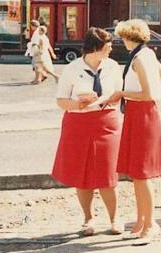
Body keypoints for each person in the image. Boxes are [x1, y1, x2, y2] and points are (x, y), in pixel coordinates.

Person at [51, 27, 123, 236]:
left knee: (107, 173)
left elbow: (118, 93)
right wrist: (78, 104)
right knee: (82, 173)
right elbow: (61, 100)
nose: (111, 49)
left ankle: (114, 219)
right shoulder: (72, 69)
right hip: (78, 123)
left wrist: (110, 98)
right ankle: (88, 219)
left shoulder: (112, 66)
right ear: (96, 47)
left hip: (106, 121)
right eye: (108, 45)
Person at [108, 19, 161, 242]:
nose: (121, 41)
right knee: (136, 172)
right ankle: (141, 220)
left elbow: (147, 93)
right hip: (139, 113)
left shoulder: (139, 59)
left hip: (143, 113)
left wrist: (122, 94)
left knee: (141, 174)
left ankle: (150, 224)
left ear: (128, 37)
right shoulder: (146, 54)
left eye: (122, 37)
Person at [25, 20, 41, 84]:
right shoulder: (38, 31)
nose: (31, 28)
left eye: (31, 26)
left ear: (33, 26)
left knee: (36, 65)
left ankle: (37, 79)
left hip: (36, 50)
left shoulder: (36, 32)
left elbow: (35, 42)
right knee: (37, 65)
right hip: (37, 50)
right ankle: (37, 79)